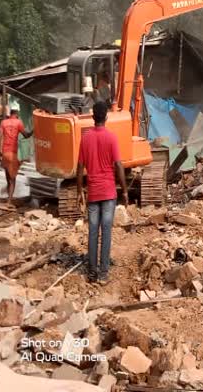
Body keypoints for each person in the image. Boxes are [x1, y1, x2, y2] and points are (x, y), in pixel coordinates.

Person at [77, 101, 128, 284]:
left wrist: (78, 191)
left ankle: (91, 273)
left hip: (93, 193)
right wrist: (124, 191)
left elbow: (80, 166)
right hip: (108, 193)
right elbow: (119, 165)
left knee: (92, 232)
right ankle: (104, 274)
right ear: (106, 117)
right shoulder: (112, 137)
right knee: (106, 232)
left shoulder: (85, 138)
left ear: (93, 117)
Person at [0, 109, 32, 204]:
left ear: (10, 114)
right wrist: (33, 130)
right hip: (12, 153)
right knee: (13, 179)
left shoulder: (3, 122)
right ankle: (9, 201)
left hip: (4, 152)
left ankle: (8, 197)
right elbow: (26, 135)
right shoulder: (18, 122)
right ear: (16, 115)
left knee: (8, 177)